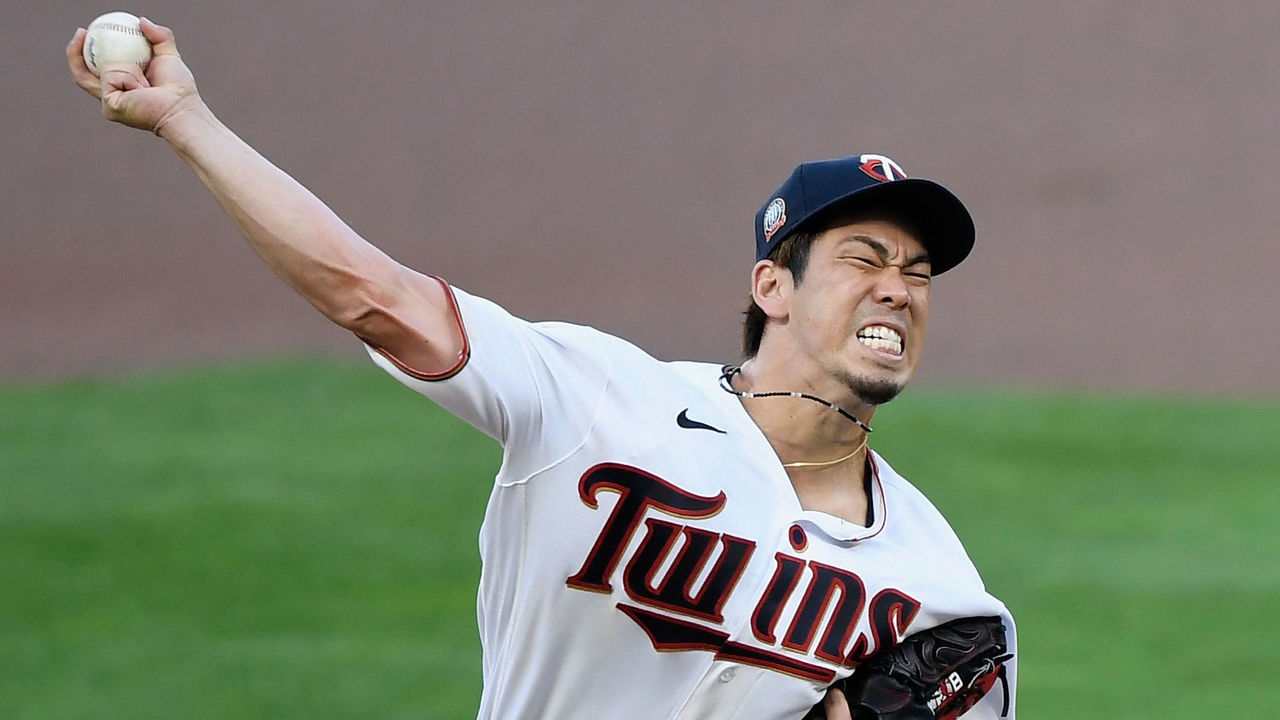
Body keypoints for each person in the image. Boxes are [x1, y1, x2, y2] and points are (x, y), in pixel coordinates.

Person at [68, 19, 1017, 720]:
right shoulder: (596, 396)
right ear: (772, 284)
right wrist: (186, 121)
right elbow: (373, 296)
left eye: (919, 273)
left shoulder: (937, 586)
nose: (900, 289)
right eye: (865, 259)